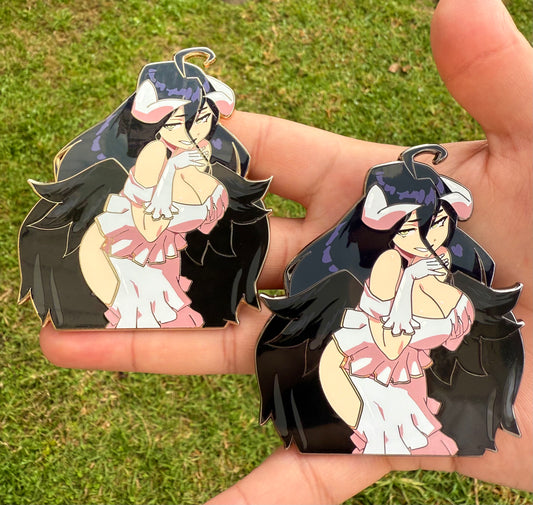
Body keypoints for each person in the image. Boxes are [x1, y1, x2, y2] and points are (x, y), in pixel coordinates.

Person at [37, 0, 532, 502]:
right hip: (145, 262)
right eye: (195, 118)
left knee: (411, 421)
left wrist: (437, 293)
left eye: (438, 222)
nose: (203, 129)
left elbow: (439, 331)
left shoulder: (432, 266)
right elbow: (146, 225)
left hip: (394, 375)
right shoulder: (388, 264)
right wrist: (182, 189)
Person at [256, 144, 522, 456]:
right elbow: (390, 346)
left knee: (426, 441)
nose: (428, 238)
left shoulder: (441, 261)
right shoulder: (389, 265)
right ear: (389, 230)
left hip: (406, 381)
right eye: (409, 229)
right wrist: (410, 281)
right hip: (359, 378)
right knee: (398, 439)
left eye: (437, 222)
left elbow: (451, 334)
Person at [19, 48, 270, 329]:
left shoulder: (205, 152)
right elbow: (150, 229)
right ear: (157, 125)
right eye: (175, 123)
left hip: (161, 265)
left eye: (200, 119)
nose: (190, 133)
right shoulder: (154, 154)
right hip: (120, 261)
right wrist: (172, 171)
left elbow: (207, 219)